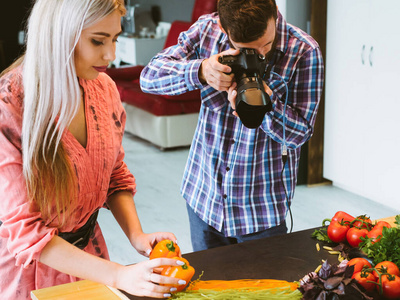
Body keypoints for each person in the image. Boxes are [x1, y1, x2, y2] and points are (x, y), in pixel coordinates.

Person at [0, 0, 187, 299]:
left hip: (91, 262)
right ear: (58, 35)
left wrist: (137, 236)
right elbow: (27, 233)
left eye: (114, 39)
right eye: (97, 41)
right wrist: (119, 274)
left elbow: (114, 174)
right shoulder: (9, 107)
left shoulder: (103, 88)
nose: (110, 55)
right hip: (29, 272)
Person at [140, 0, 324, 251]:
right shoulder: (207, 30)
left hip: (261, 211)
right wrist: (201, 70)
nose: (259, 55)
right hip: (203, 198)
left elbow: (300, 134)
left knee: (261, 290)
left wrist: (266, 106)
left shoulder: (304, 50)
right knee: (209, 289)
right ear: (223, 28)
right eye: (246, 49)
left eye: (267, 45)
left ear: (275, 13)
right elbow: (149, 77)